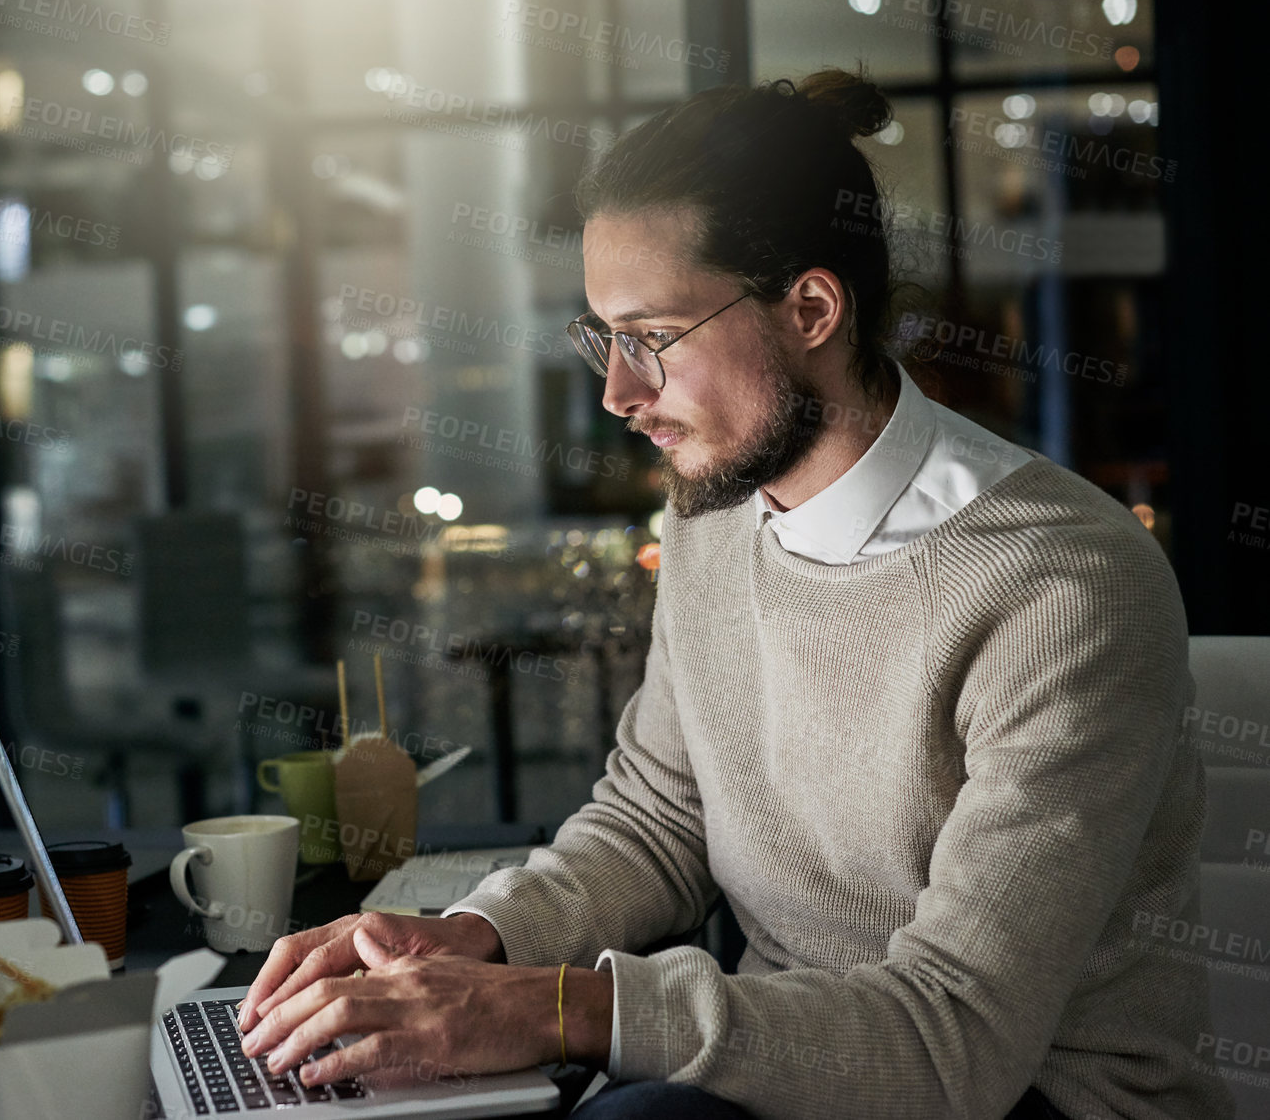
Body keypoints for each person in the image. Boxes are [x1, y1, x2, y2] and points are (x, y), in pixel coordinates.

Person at [235, 71, 1232, 1119]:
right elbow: (660, 816)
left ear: (810, 308)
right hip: (785, 1064)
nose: (619, 393)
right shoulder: (713, 518)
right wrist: (473, 937)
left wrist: (553, 1007)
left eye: (652, 339)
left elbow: (956, 1042)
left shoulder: (1064, 588)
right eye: (603, 338)